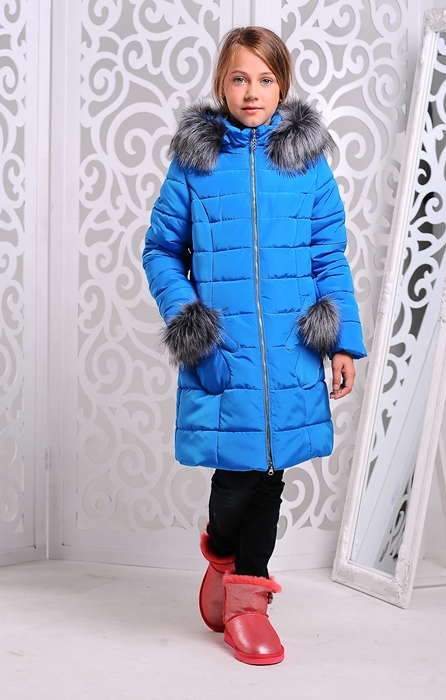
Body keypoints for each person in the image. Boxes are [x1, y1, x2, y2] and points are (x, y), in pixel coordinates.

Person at [142, 26, 366, 666]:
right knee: (235, 478)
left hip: (292, 354)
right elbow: (161, 251)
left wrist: (341, 343)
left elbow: (329, 256)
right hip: (225, 351)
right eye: (240, 78)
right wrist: (192, 326)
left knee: (270, 477)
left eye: (265, 79)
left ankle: (248, 603)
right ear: (222, 82)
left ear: (282, 85)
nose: (252, 91)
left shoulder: (307, 163)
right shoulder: (196, 163)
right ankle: (220, 555)